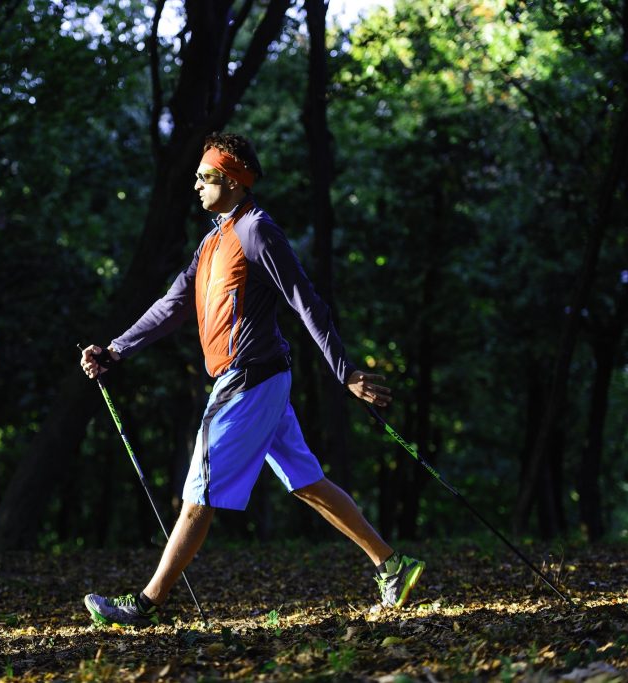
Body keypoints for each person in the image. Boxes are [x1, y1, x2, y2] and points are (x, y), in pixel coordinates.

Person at [79, 132, 423, 626]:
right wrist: (115, 349)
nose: (196, 185)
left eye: (206, 177)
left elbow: (307, 301)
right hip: (257, 380)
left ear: (235, 180)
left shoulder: (257, 231)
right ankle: (393, 564)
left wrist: (344, 372)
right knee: (308, 482)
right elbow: (172, 305)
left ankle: (148, 604)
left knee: (199, 490)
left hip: (249, 381)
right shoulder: (214, 239)